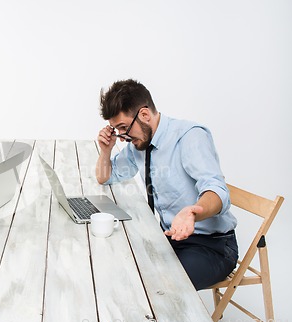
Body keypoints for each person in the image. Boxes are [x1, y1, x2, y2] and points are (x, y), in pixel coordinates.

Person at [95, 79, 238, 290]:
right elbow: (105, 177)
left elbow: (217, 191)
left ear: (144, 115)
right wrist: (106, 150)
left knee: (161, 288)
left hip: (211, 246)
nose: (123, 138)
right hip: (170, 238)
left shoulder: (189, 137)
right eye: (118, 131)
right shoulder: (139, 143)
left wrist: (192, 212)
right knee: (119, 267)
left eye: (124, 128)